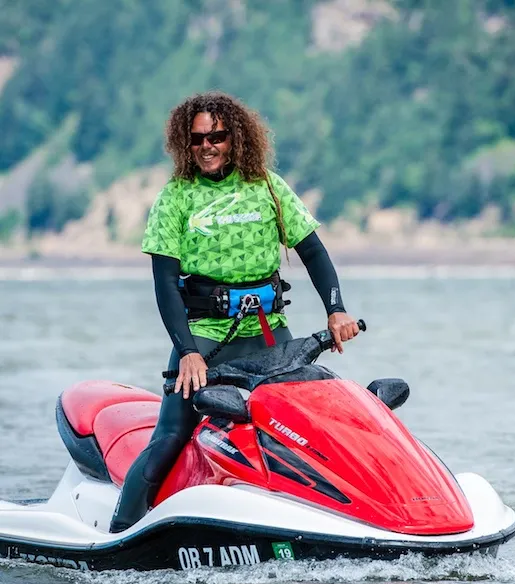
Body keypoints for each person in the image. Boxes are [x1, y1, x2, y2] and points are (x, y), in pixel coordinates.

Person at [109, 91, 359, 533]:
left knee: (303, 428)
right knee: (169, 438)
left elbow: (314, 253)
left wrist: (335, 311)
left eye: (217, 136)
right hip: (205, 336)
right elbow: (165, 284)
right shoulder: (176, 198)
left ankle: (328, 516)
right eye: (197, 139)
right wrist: (187, 351)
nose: (207, 146)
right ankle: (118, 535)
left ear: (236, 138)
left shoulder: (267, 186)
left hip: (268, 336)